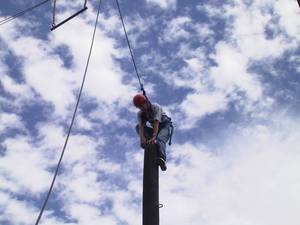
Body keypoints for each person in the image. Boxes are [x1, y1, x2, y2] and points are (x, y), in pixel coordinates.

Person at [133, 94, 173, 171]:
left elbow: (156, 122)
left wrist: (154, 136)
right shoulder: (140, 114)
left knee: (160, 139)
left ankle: (162, 158)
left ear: (146, 102)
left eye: (142, 105)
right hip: (155, 129)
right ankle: (149, 143)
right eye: (139, 107)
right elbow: (141, 127)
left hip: (164, 126)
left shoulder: (155, 107)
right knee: (137, 127)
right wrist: (142, 139)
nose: (142, 108)